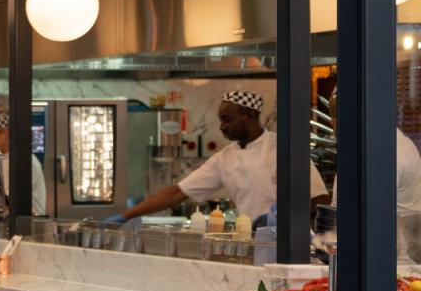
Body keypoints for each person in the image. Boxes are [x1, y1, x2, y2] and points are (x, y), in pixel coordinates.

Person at [108, 89, 327, 225]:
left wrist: (290, 221)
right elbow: (178, 192)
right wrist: (126, 216)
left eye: (227, 119)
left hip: (290, 245)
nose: (222, 126)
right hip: (249, 241)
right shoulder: (225, 158)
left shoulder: (284, 148)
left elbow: (319, 198)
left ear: (249, 116)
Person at [327, 89, 421, 240]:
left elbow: (374, 213)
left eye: (338, 117)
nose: (332, 123)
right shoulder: (362, 145)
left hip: (394, 258)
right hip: (370, 250)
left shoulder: (387, 149)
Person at [0, 103, 47, 218]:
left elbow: (9, 200)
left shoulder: (22, 162)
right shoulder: (1, 158)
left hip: (29, 223)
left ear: (5, 133)